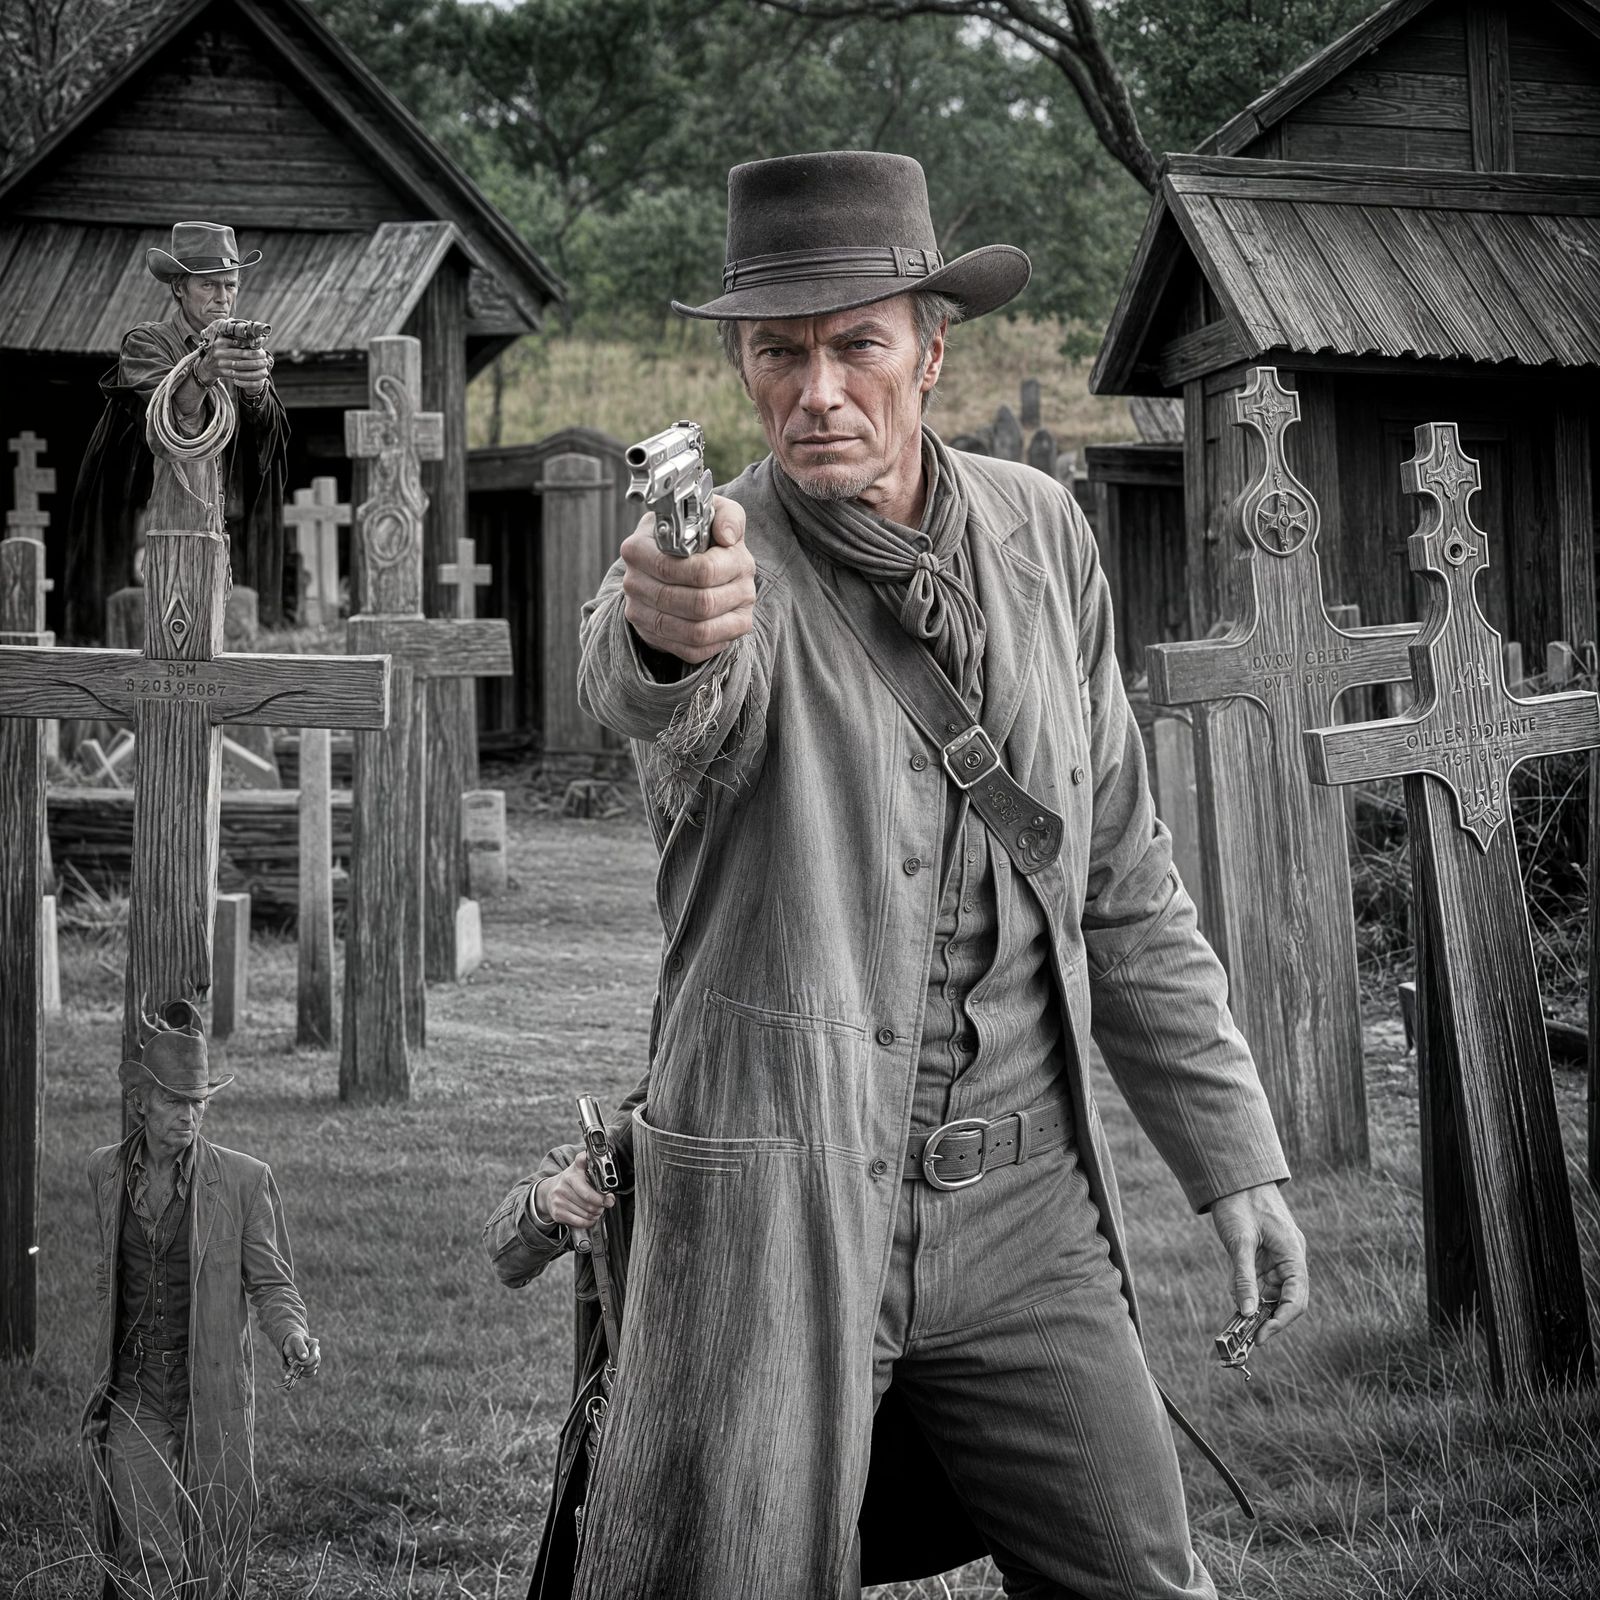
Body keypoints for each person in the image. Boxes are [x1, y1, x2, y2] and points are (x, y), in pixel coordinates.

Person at [486, 150, 1308, 1600]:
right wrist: (667, 628)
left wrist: (1232, 1158)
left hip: (1028, 1212)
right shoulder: (717, 560)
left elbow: (1120, 873)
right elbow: (645, 670)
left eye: (856, 345)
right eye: (778, 352)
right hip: (780, 1202)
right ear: (743, 369)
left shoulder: (1045, 535)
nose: (817, 390)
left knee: (1144, 1577)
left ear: (931, 350)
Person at [81, 1000, 320, 1600]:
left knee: (214, 1556)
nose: (190, 1115)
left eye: (199, 1101)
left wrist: (291, 1333)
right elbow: (111, 1275)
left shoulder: (243, 1180)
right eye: (175, 1101)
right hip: (135, 1389)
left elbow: (271, 1283)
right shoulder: (104, 1173)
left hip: (210, 1389)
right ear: (141, 1101)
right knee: (149, 1557)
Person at [65, 220, 290, 644]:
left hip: (222, 526)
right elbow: (165, 419)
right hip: (149, 526)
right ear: (178, 288)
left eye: (230, 285)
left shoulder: (242, 349)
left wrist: (255, 389)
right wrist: (205, 371)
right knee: (152, 644)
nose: (223, 297)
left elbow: (266, 444)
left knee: (223, 650)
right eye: (208, 285)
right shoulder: (146, 344)